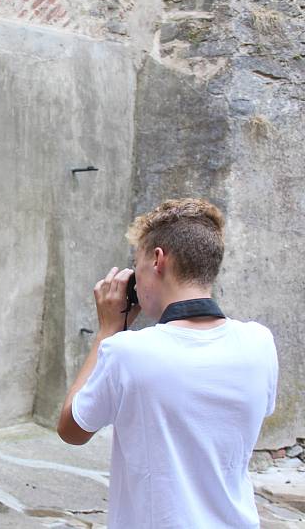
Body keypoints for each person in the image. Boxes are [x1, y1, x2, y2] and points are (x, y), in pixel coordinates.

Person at [56, 198, 278, 528]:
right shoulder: (259, 343)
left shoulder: (128, 352)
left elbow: (71, 429)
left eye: (138, 265)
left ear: (158, 260)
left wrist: (107, 331)